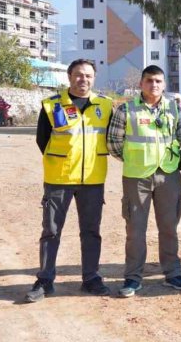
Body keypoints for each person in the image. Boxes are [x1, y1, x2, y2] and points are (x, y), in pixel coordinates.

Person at [25, 59, 114, 302]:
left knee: (91, 231)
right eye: (78, 75)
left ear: (94, 78)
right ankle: (45, 281)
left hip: (93, 179)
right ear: (69, 76)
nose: (83, 79)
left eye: (88, 75)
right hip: (59, 178)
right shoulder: (51, 105)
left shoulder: (106, 105)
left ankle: (91, 278)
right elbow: (42, 140)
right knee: (51, 231)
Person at [108, 65, 181, 297]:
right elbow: (113, 143)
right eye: (149, 80)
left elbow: (179, 136)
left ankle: (172, 273)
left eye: (158, 81)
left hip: (168, 174)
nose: (154, 85)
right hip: (137, 177)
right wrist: (135, 159)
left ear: (164, 84)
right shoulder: (126, 109)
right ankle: (133, 278)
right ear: (141, 84)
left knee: (169, 227)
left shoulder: (174, 108)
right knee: (135, 229)